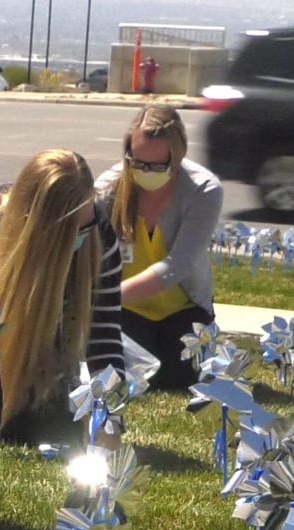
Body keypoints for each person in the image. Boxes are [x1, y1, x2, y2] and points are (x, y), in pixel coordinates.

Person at [0, 150, 128, 444]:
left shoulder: (101, 239)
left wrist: (110, 412)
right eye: (71, 231)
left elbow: (104, 335)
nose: (84, 235)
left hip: (53, 369)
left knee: (57, 427)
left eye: (86, 225)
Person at [95, 104, 223, 391]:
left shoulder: (204, 190)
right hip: (125, 308)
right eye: (137, 163)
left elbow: (177, 265)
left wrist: (106, 298)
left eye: (157, 165)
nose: (145, 171)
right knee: (133, 376)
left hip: (183, 308)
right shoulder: (107, 188)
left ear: (176, 157)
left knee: (179, 378)